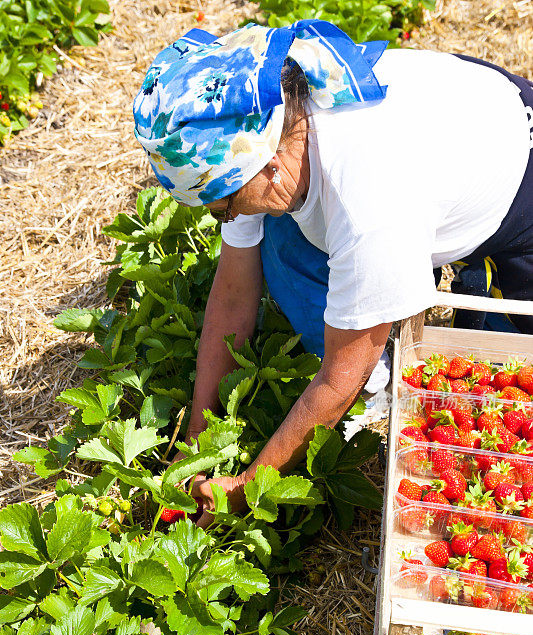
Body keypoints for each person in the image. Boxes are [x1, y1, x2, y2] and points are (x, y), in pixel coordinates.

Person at [133, 21, 533, 516]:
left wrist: (246, 491)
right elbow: (234, 294)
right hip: (437, 148)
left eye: (223, 203)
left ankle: (442, 280)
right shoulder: (261, 123)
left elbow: (340, 376)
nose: (227, 217)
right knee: (275, 242)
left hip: (514, 169)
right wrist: (193, 445)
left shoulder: (367, 196)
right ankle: (387, 315)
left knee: (500, 374)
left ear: (267, 164)